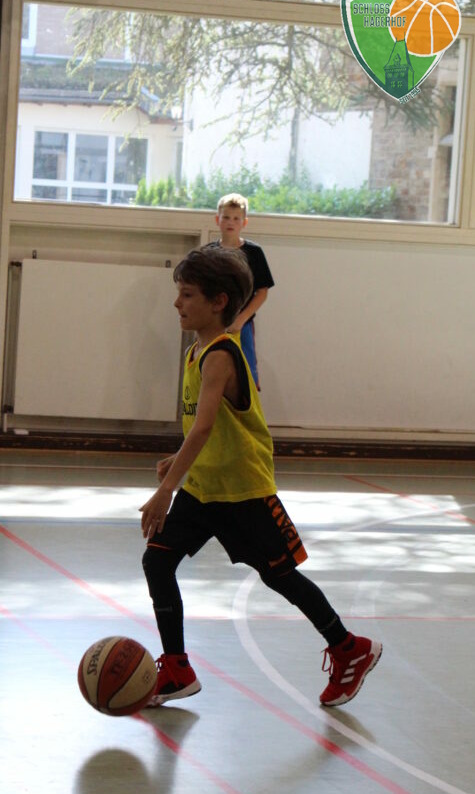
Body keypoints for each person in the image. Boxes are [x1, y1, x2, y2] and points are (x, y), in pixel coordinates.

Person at [139, 245, 381, 708]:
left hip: (244, 492)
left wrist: (165, 490)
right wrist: (179, 461)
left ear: (219, 301)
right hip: (204, 489)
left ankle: (349, 647)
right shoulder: (196, 352)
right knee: (158, 561)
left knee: (280, 577)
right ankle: (177, 668)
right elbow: (206, 428)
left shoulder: (221, 355)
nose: (176, 303)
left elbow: (205, 426)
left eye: (187, 294)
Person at [205, 192, 274, 389]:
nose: (231, 222)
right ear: (217, 220)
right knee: (211, 371)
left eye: (236, 218)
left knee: (246, 374)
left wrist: (241, 319)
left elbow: (262, 292)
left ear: (244, 222)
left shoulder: (254, 253)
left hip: (241, 325)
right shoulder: (209, 254)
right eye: (226, 217)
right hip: (215, 323)